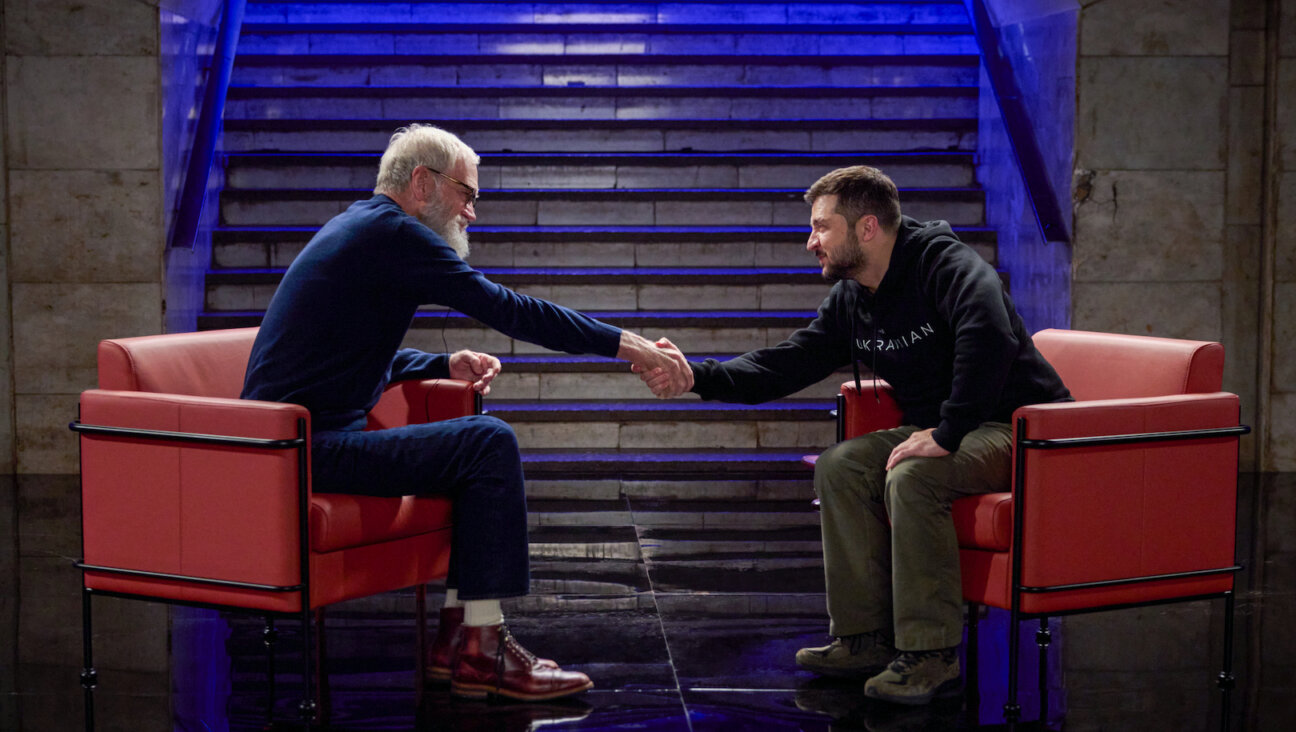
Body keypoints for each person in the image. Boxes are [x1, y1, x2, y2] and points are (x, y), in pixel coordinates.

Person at [241, 123, 692, 702]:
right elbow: (507, 308)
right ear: (423, 183)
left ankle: (459, 637)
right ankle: (485, 648)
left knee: (472, 450)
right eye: (467, 193)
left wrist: (439, 361)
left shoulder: (363, 226)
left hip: (305, 443)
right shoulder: (393, 234)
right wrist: (628, 343)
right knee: (485, 442)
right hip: (312, 451)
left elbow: (337, 350)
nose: (472, 212)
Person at [637, 165, 1070, 705]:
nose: (810, 241)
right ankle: (864, 638)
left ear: (866, 228)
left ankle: (932, 654)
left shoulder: (945, 263)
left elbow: (992, 334)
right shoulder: (853, 298)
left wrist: (948, 430)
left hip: (1020, 428)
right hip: (949, 427)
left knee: (916, 474)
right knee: (840, 465)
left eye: (821, 227)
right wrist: (695, 375)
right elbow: (785, 365)